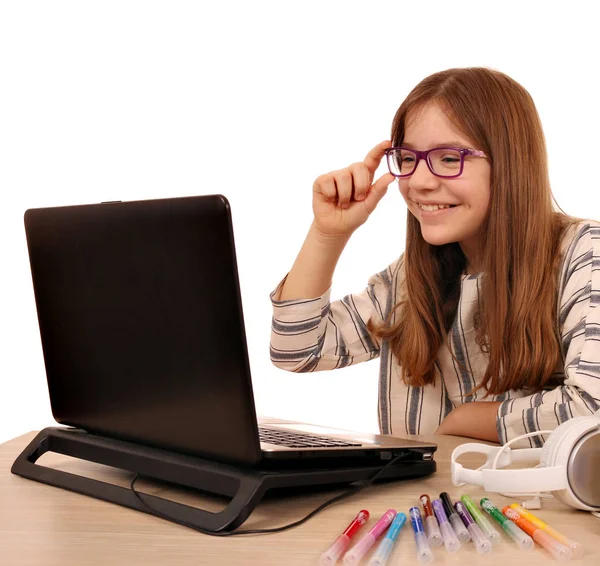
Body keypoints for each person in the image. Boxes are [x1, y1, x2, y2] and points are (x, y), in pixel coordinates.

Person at [269, 67, 600, 448]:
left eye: (448, 158)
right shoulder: (410, 279)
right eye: (408, 158)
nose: (420, 181)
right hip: (424, 507)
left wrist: (467, 419)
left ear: (510, 163)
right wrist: (329, 233)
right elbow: (296, 349)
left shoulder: (581, 251)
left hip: (531, 508)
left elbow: (591, 408)